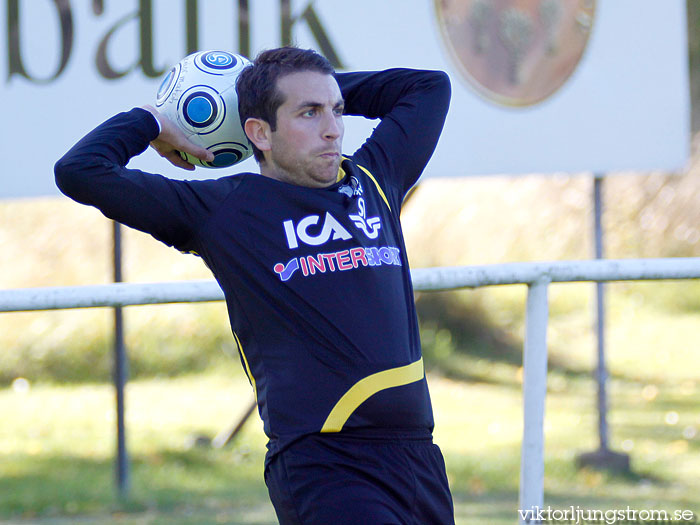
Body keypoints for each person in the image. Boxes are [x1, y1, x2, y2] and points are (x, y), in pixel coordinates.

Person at [55, 46, 453, 524]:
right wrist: (150, 121)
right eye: (309, 113)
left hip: (418, 457)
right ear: (259, 133)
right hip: (326, 465)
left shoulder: (374, 178)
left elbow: (429, 86)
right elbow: (80, 171)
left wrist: (295, 91)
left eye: (337, 111)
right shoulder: (225, 212)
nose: (333, 129)